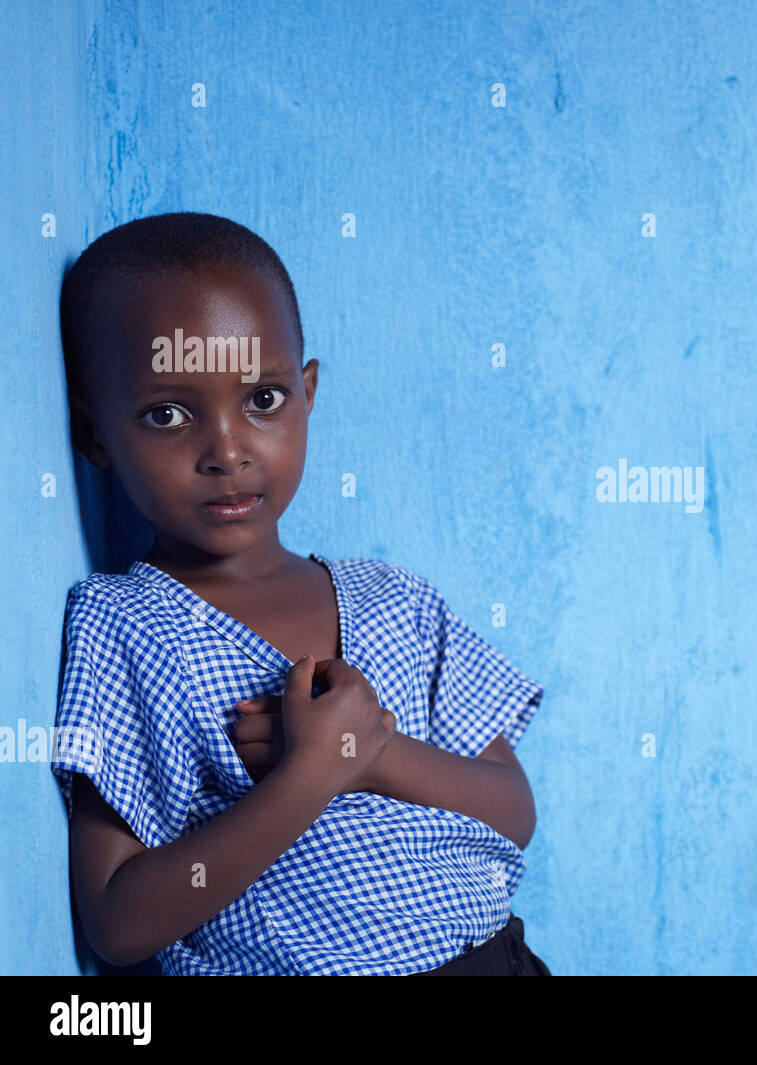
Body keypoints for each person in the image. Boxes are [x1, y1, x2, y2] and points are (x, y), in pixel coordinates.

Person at [51, 212, 552, 975]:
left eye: (263, 400)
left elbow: (513, 811)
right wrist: (308, 776)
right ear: (96, 437)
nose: (226, 450)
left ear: (308, 392)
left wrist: (369, 753)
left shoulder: (396, 602)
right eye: (167, 413)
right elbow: (118, 921)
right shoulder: (126, 624)